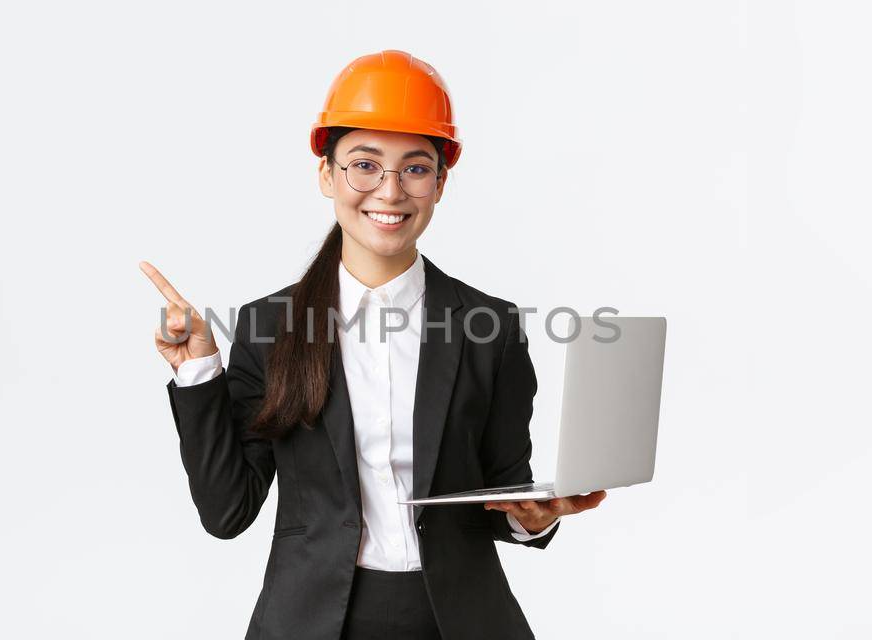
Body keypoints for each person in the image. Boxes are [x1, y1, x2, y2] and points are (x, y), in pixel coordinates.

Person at [140, 50, 607, 640]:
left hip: (459, 621)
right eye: (364, 164)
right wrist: (198, 371)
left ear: (440, 182)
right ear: (327, 174)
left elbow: (505, 486)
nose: (389, 191)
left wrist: (532, 521)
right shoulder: (269, 327)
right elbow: (228, 513)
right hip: (315, 621)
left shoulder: (490, 327)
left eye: (415, 168)